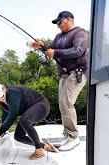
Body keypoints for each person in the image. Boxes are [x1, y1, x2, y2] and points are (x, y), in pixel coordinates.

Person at [31, 11, 88, 151]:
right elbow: (49, 51)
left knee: (67, 102)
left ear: (67, 20)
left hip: (77, 73)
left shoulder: (79, 33)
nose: (57, 26)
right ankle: (67, 136)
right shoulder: (58, 37)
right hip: (64, 75)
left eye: (59, 22)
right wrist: (41, 46)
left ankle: (73, 137)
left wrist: (55, 53)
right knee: (62, 104)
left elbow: (78, 51)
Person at [0, 82, 58, 160]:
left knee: (24, 121)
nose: (1, 99)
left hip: (42, 105)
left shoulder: (13, 93)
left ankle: (39, 150)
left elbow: (12, 116)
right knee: (18, 136)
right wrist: (1, 133)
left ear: (4, 89)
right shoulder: (3, 103)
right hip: (29, 111)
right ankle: (44, 146)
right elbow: (5, 115)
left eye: (2, 96)